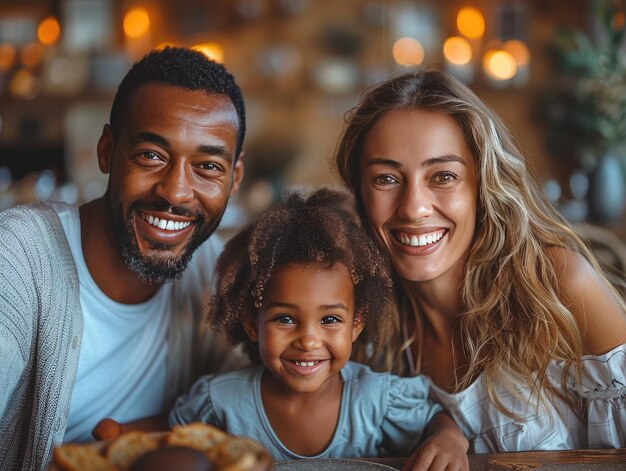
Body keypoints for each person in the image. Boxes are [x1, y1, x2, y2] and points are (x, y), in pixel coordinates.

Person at [334, 69, 626, 452]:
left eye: (443, 176)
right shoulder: (362, 325)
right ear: (359, 192)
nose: (414, 208)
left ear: (482, 184)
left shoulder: (557, 285)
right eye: (386, 179)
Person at [0, 46, 246, 470]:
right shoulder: (20, 256)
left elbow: (254, 404)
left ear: (234, 179)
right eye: (152, 156)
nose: (175, 192)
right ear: (106, 150)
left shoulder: (210, 273)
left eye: (208, 167)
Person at [167, 188, 469, 469]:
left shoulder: (375, 400)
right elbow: (172, 447)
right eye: (284, 319)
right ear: (251, 323)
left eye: (330, 320)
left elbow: (433, 418)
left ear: (356, 323)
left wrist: (451, 439)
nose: (309, 340)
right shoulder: (218, 404)